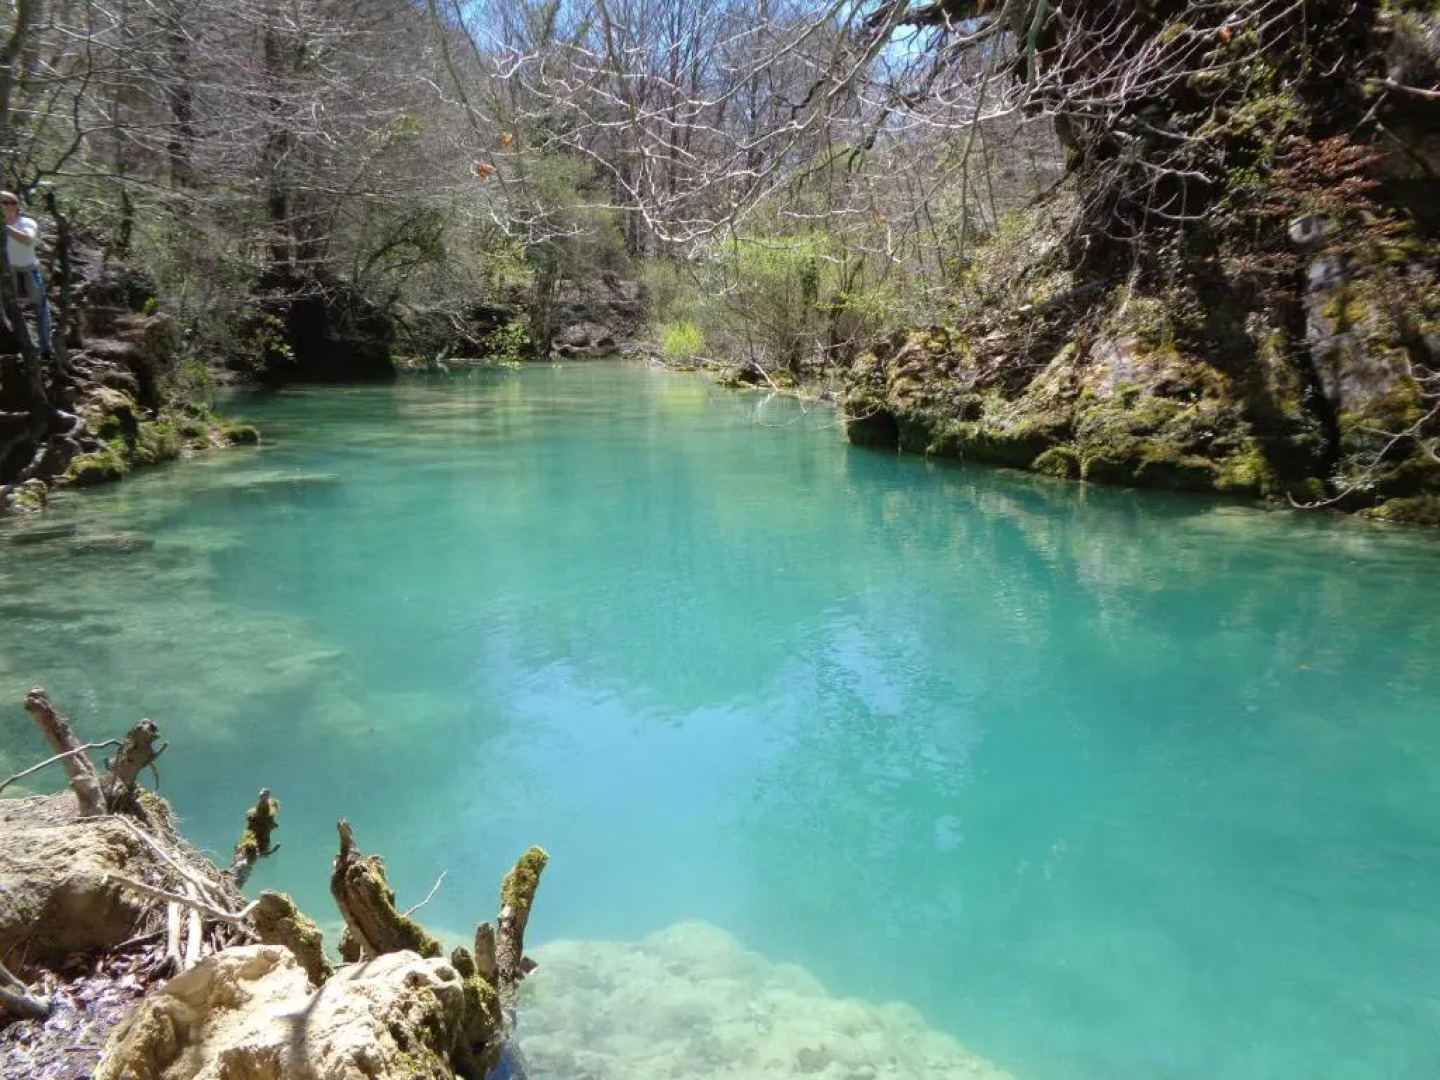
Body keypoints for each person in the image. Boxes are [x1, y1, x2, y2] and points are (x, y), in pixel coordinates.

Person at [1, 190, 53, 361]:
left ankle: (45, 349)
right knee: (9, 309)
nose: (2, 206)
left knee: (41, 309)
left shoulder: (26, 222)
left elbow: (29, 240)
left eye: (5, 202)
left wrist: (6, 228)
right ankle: (14, 345)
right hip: (8, 272)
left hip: (29, 269)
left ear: (15, 206)